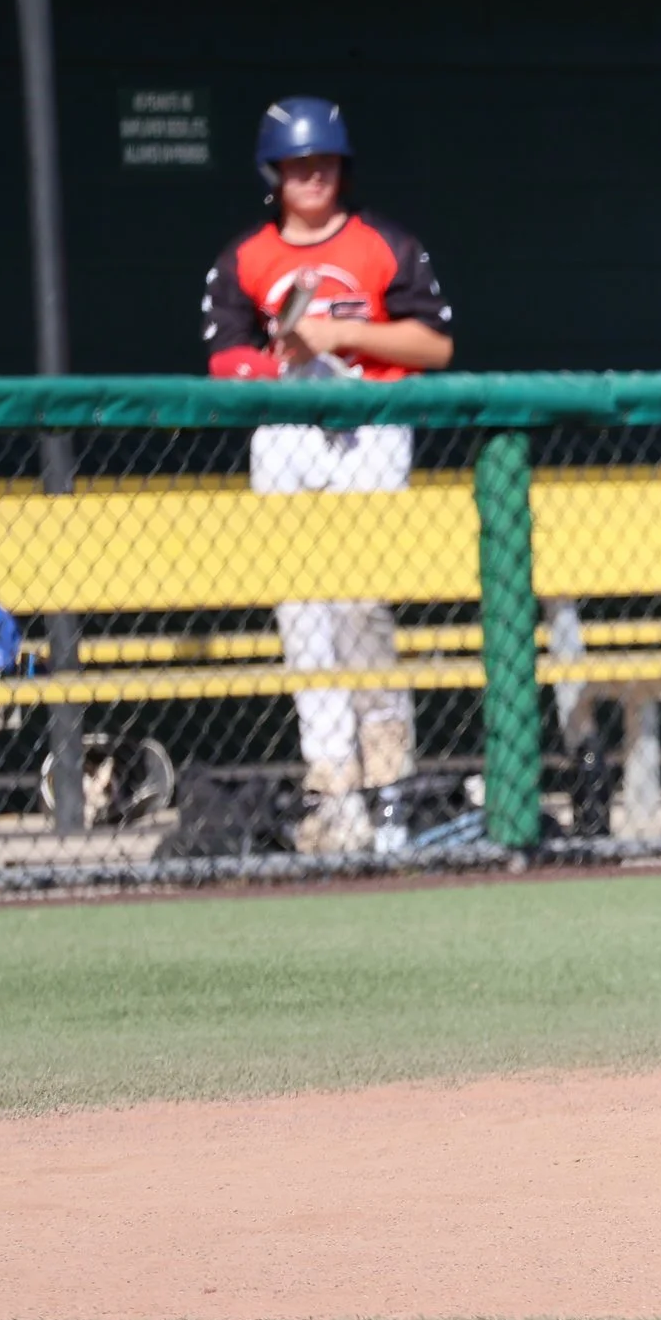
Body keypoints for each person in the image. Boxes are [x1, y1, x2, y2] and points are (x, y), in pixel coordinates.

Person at [204, 97, 455, 854]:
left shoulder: (384, 243)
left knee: (362, 609)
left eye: (324, 162)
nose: (312, 175)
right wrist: (280, 356)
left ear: (340, 167)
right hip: (287, 429)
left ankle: (388, 786)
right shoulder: (244, 257)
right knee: (303, 614)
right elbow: (224, 362)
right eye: (297, 164)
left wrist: (340, 330)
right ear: (274, 173)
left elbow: (435, 345)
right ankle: (332, 789)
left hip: (367, 425)